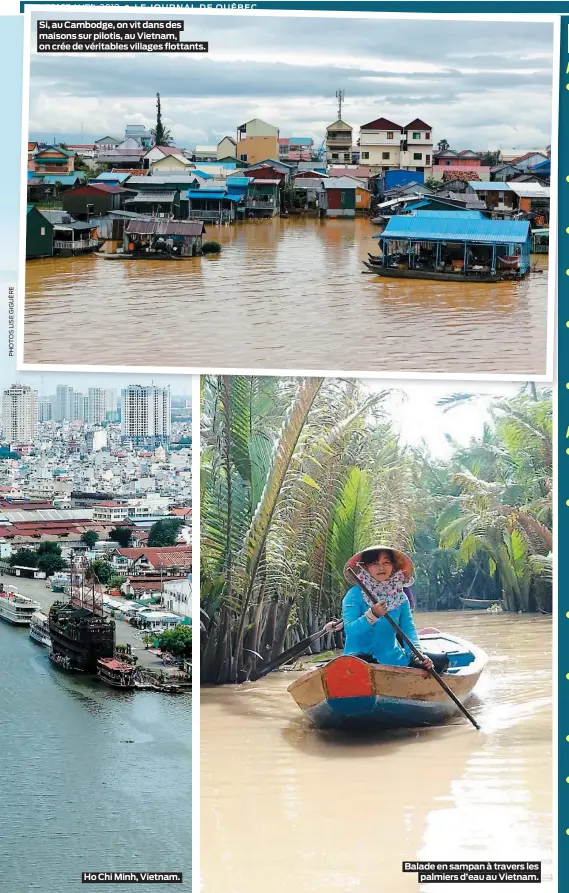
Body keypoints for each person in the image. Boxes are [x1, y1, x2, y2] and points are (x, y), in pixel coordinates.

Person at [342, 546, 449, 674]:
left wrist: (417, 655)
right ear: (365, 567)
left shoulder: (400, 597)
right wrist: (372, 615)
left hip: (394, 660)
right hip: (358, 660)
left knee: (440, 662)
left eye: (386, 562)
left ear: (393, 566)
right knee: (362, 664)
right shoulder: (354, 595)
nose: (381, 568)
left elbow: (408, 631)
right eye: (375, 563)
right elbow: (350, 631)